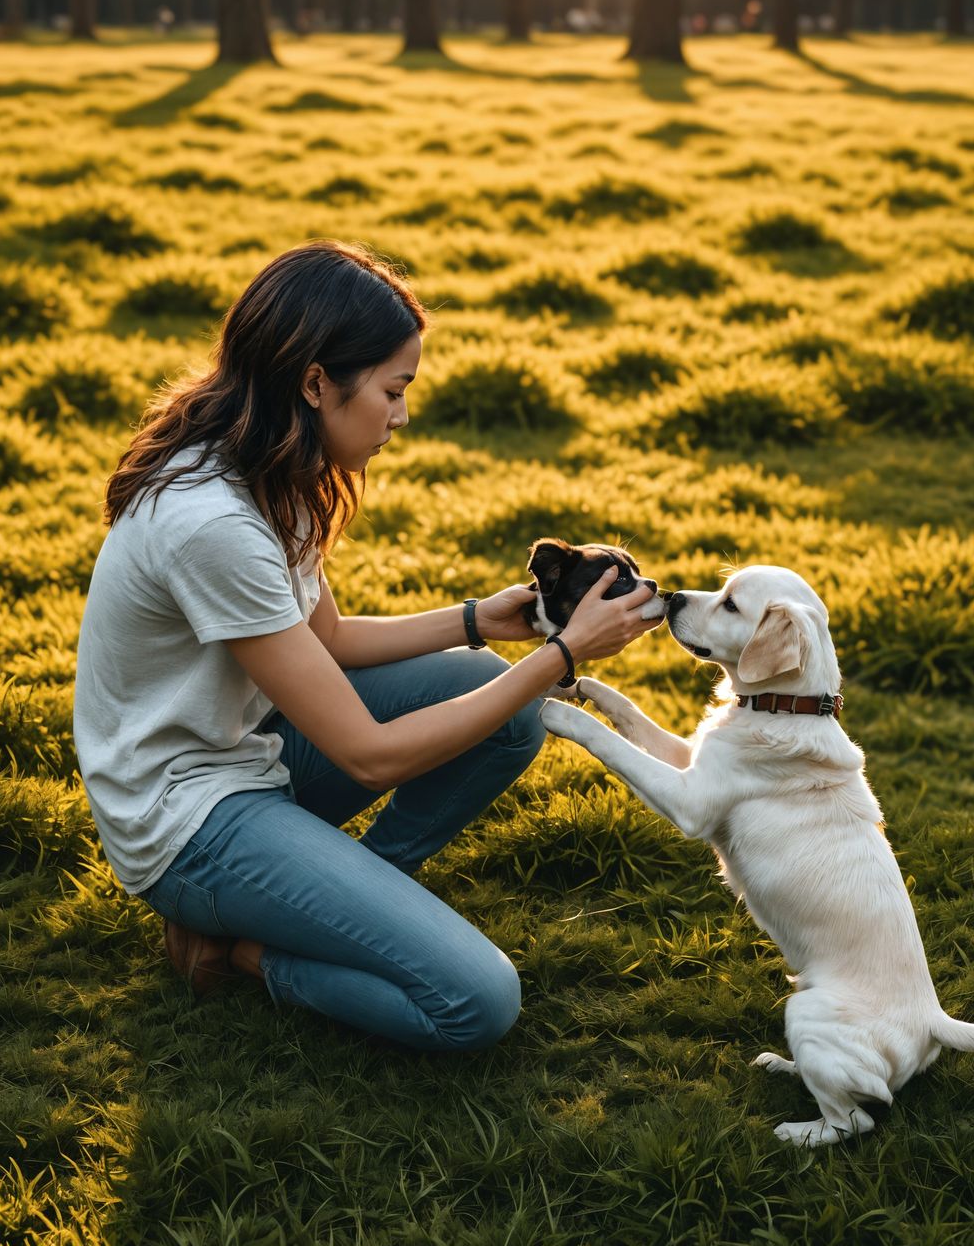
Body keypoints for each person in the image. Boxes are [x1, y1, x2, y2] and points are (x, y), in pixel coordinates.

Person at [72, 241, 660, 1053]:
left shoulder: (277, 468)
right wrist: (557, 660)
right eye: (393, 391)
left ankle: (350, 902)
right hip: (183, 819)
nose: (402, 416)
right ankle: (243, 951)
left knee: (496, 706)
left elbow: (332, 640)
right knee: (477, 1001)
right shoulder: (212, 523)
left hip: (252, 751)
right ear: (316, 382)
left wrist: (478, 622)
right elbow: (370, 756)